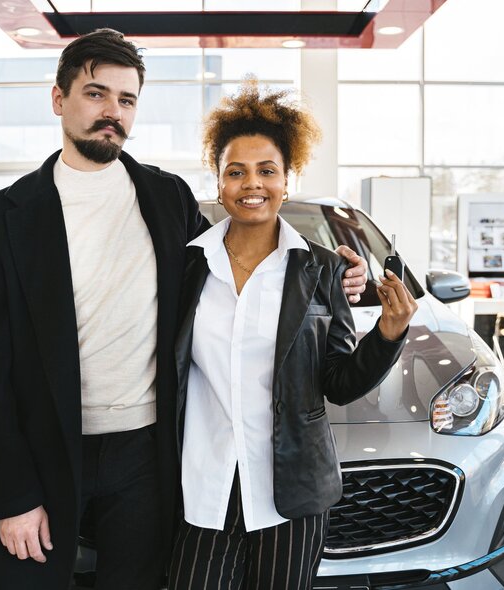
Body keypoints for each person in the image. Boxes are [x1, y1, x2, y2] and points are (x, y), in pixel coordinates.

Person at [0, 30, 368, 590]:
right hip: (45, 449)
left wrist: (333, 270)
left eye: (126, 100)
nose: (112, 112)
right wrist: (13, 495)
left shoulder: (167, 199)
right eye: (96, 94)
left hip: (145, 457)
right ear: (59, 99)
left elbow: (245, 253)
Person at [168, 82, 418, 590]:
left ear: (287, 179)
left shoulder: (322, 271)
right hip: (203, 485)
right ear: (219, 183)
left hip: (292, 494)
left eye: (266, 171)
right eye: (235, 172)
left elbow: (339, 381)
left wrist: (387, 336)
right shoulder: (187, 267)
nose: (251, 184)